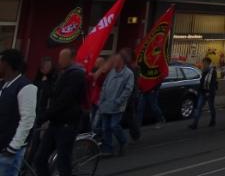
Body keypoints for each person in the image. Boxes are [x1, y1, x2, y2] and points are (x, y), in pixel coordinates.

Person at [34, 48, 86, 176]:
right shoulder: (63, 73)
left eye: (62, 58)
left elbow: (64, 100)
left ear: (71, 59)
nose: (59, 61)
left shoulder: (76, 75)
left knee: (63, 161)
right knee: (40, 158)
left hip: (67, 124)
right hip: (55, 122)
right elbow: (54, 93)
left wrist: (44, 116)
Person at [0, 49, 36, 176]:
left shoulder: (26, 87)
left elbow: (27, 120)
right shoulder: (4, 84)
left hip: (9, 150)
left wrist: (13, 146)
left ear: (7, 64)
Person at [98, 53, 134, 157]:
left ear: (121, 62)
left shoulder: (128, 73)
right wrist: (102, 99)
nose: (114, 62)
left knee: (114, 125)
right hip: (106, 104)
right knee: (105, 128)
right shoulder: (112, 72)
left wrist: (119, 101)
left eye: (116, 60)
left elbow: (128, 89)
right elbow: (105, 85)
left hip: (117, 105)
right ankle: (108, 149)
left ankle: (123, 141)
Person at [119, 48, 141, 142]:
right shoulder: (131, 67)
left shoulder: (132, 68)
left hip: (131, 95)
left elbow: (131, 84)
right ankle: (135, 134)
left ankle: (135, 134)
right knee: (129, 116)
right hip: (131, 95)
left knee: (130, 116)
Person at [189, 57, 217, 129]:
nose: (203, 64)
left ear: (208, 63)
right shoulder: (204, 70)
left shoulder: (212, 71)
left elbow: (213, 83)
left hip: (209, 93)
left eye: (204, 63)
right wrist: (198, 90)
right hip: (203, 92)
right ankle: (194, 124)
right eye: (203, 63)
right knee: (198, 107)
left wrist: (209, 92)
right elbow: (202, 81)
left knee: (211, 107)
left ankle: (213, 120)